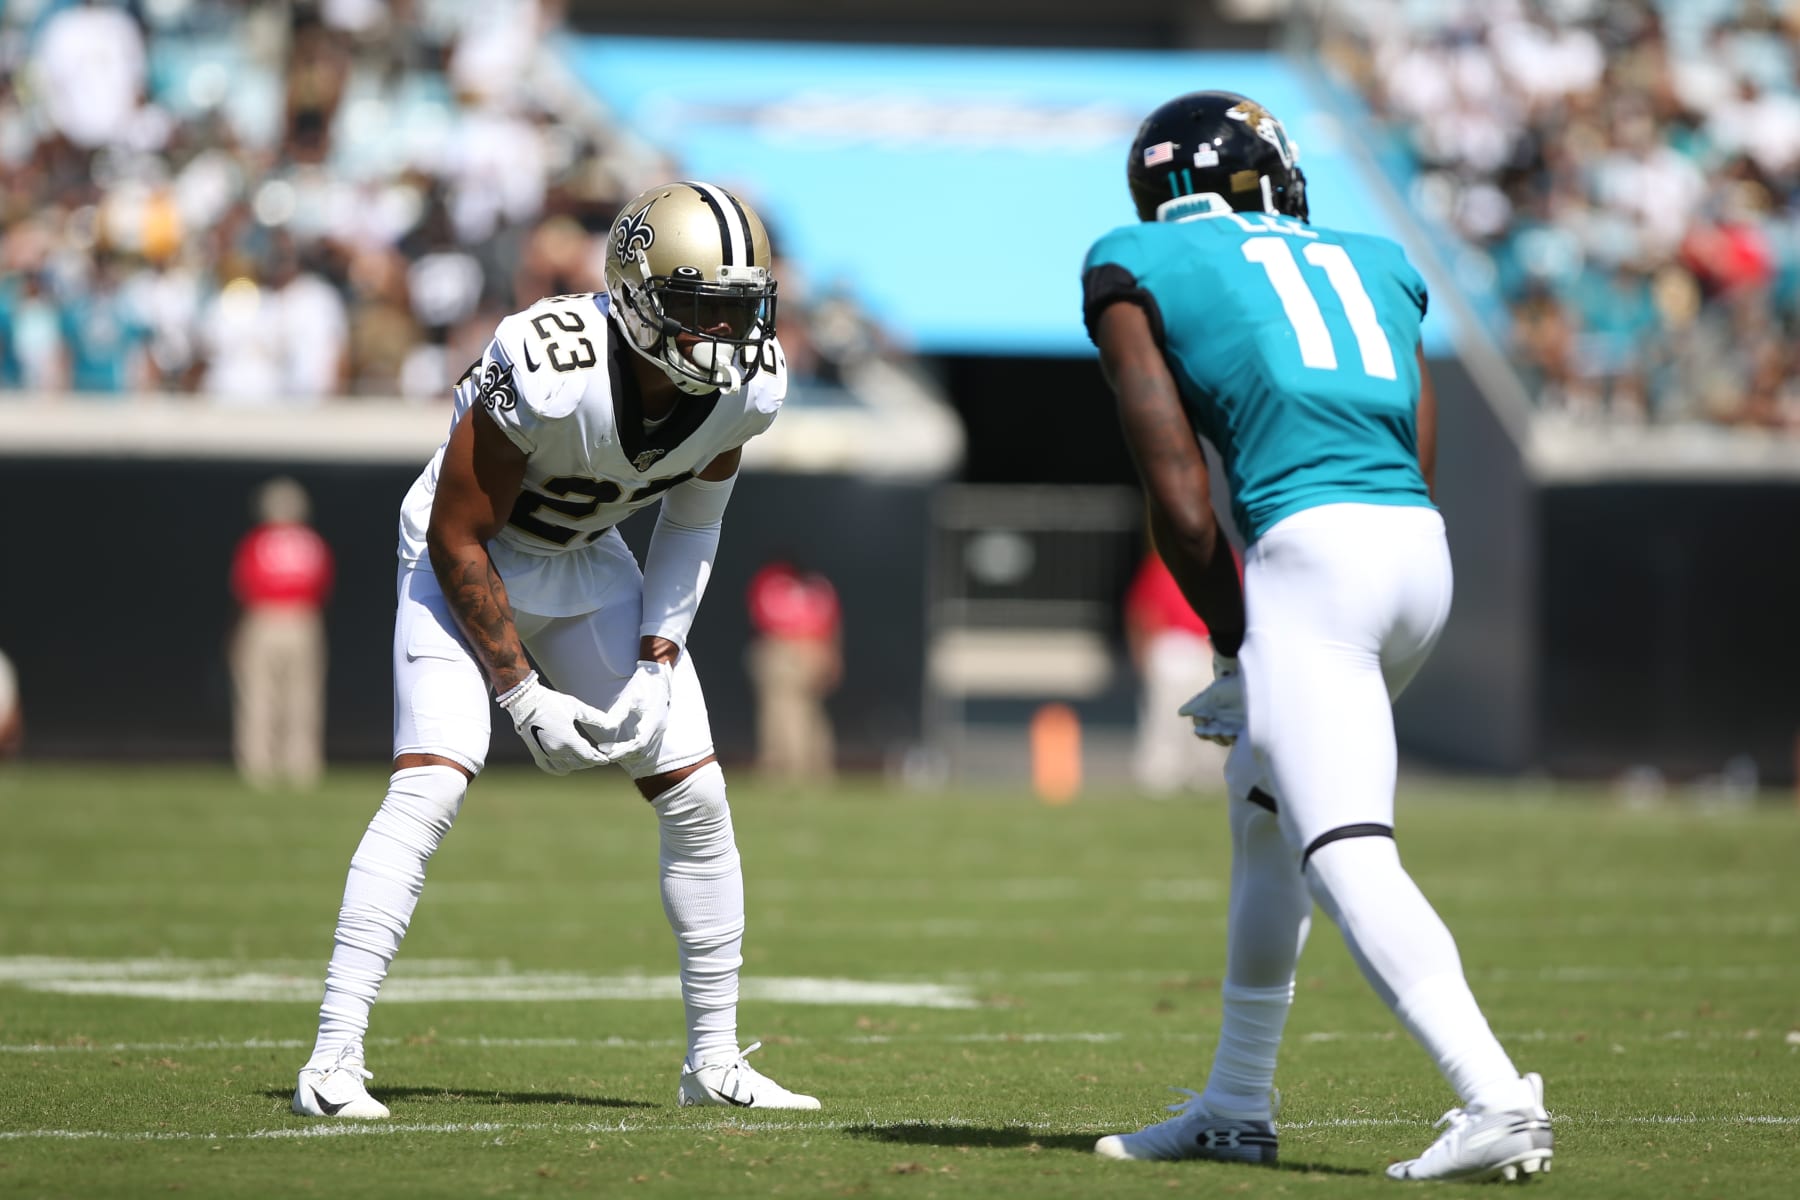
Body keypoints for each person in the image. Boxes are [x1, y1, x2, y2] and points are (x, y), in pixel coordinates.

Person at [1081, 92, 1551, 1181]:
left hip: (1312, 560)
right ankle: (1236, 1105)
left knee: (1343, 849)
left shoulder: (1129, 261)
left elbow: (1183, 499)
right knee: (1266, 815)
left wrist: (1239, 639)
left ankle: (1494, 1096)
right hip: (1412, 552)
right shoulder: (1377, 256)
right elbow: (1415, 447)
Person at [293, 181, 818, 1119]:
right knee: (435, 782)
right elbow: (458, 533)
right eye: (705, 311)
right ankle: (332, 1059)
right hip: (466, 563)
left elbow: (694, 526)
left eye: (743, 310)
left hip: (584, 565)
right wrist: (523, 694)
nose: (731, 337)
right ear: (638, 296)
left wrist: (659, 659)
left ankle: (713, 1062)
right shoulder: (549, 360)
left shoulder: (749, 388)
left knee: (697, 794)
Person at [229, 476, 334, 790]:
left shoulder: (257, 541)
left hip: (264, 618)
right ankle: (302, 766)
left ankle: (257, 767)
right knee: (303, 697)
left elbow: (241, 586)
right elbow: (324, 585)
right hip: (303, 619)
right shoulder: (312, 542)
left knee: (258, 696)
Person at [1123, 550, 1228, 795]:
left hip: (1207, 644)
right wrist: (1142, 650)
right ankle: (1160, 772)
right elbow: (1143, 610)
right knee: (1166, 714)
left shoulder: (1224, 562)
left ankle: (1207, 772)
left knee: (1211, 714)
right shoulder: (1162, 564)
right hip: (1172, 643)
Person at [745, 557, 842, 784]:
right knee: (809, 710)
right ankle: (817, 767)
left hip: (785, 649)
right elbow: (833, 625)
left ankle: (786, 769)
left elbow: (766, 620)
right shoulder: (820, 585)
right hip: (816, 650)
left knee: (782, 710)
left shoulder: (773, 581)